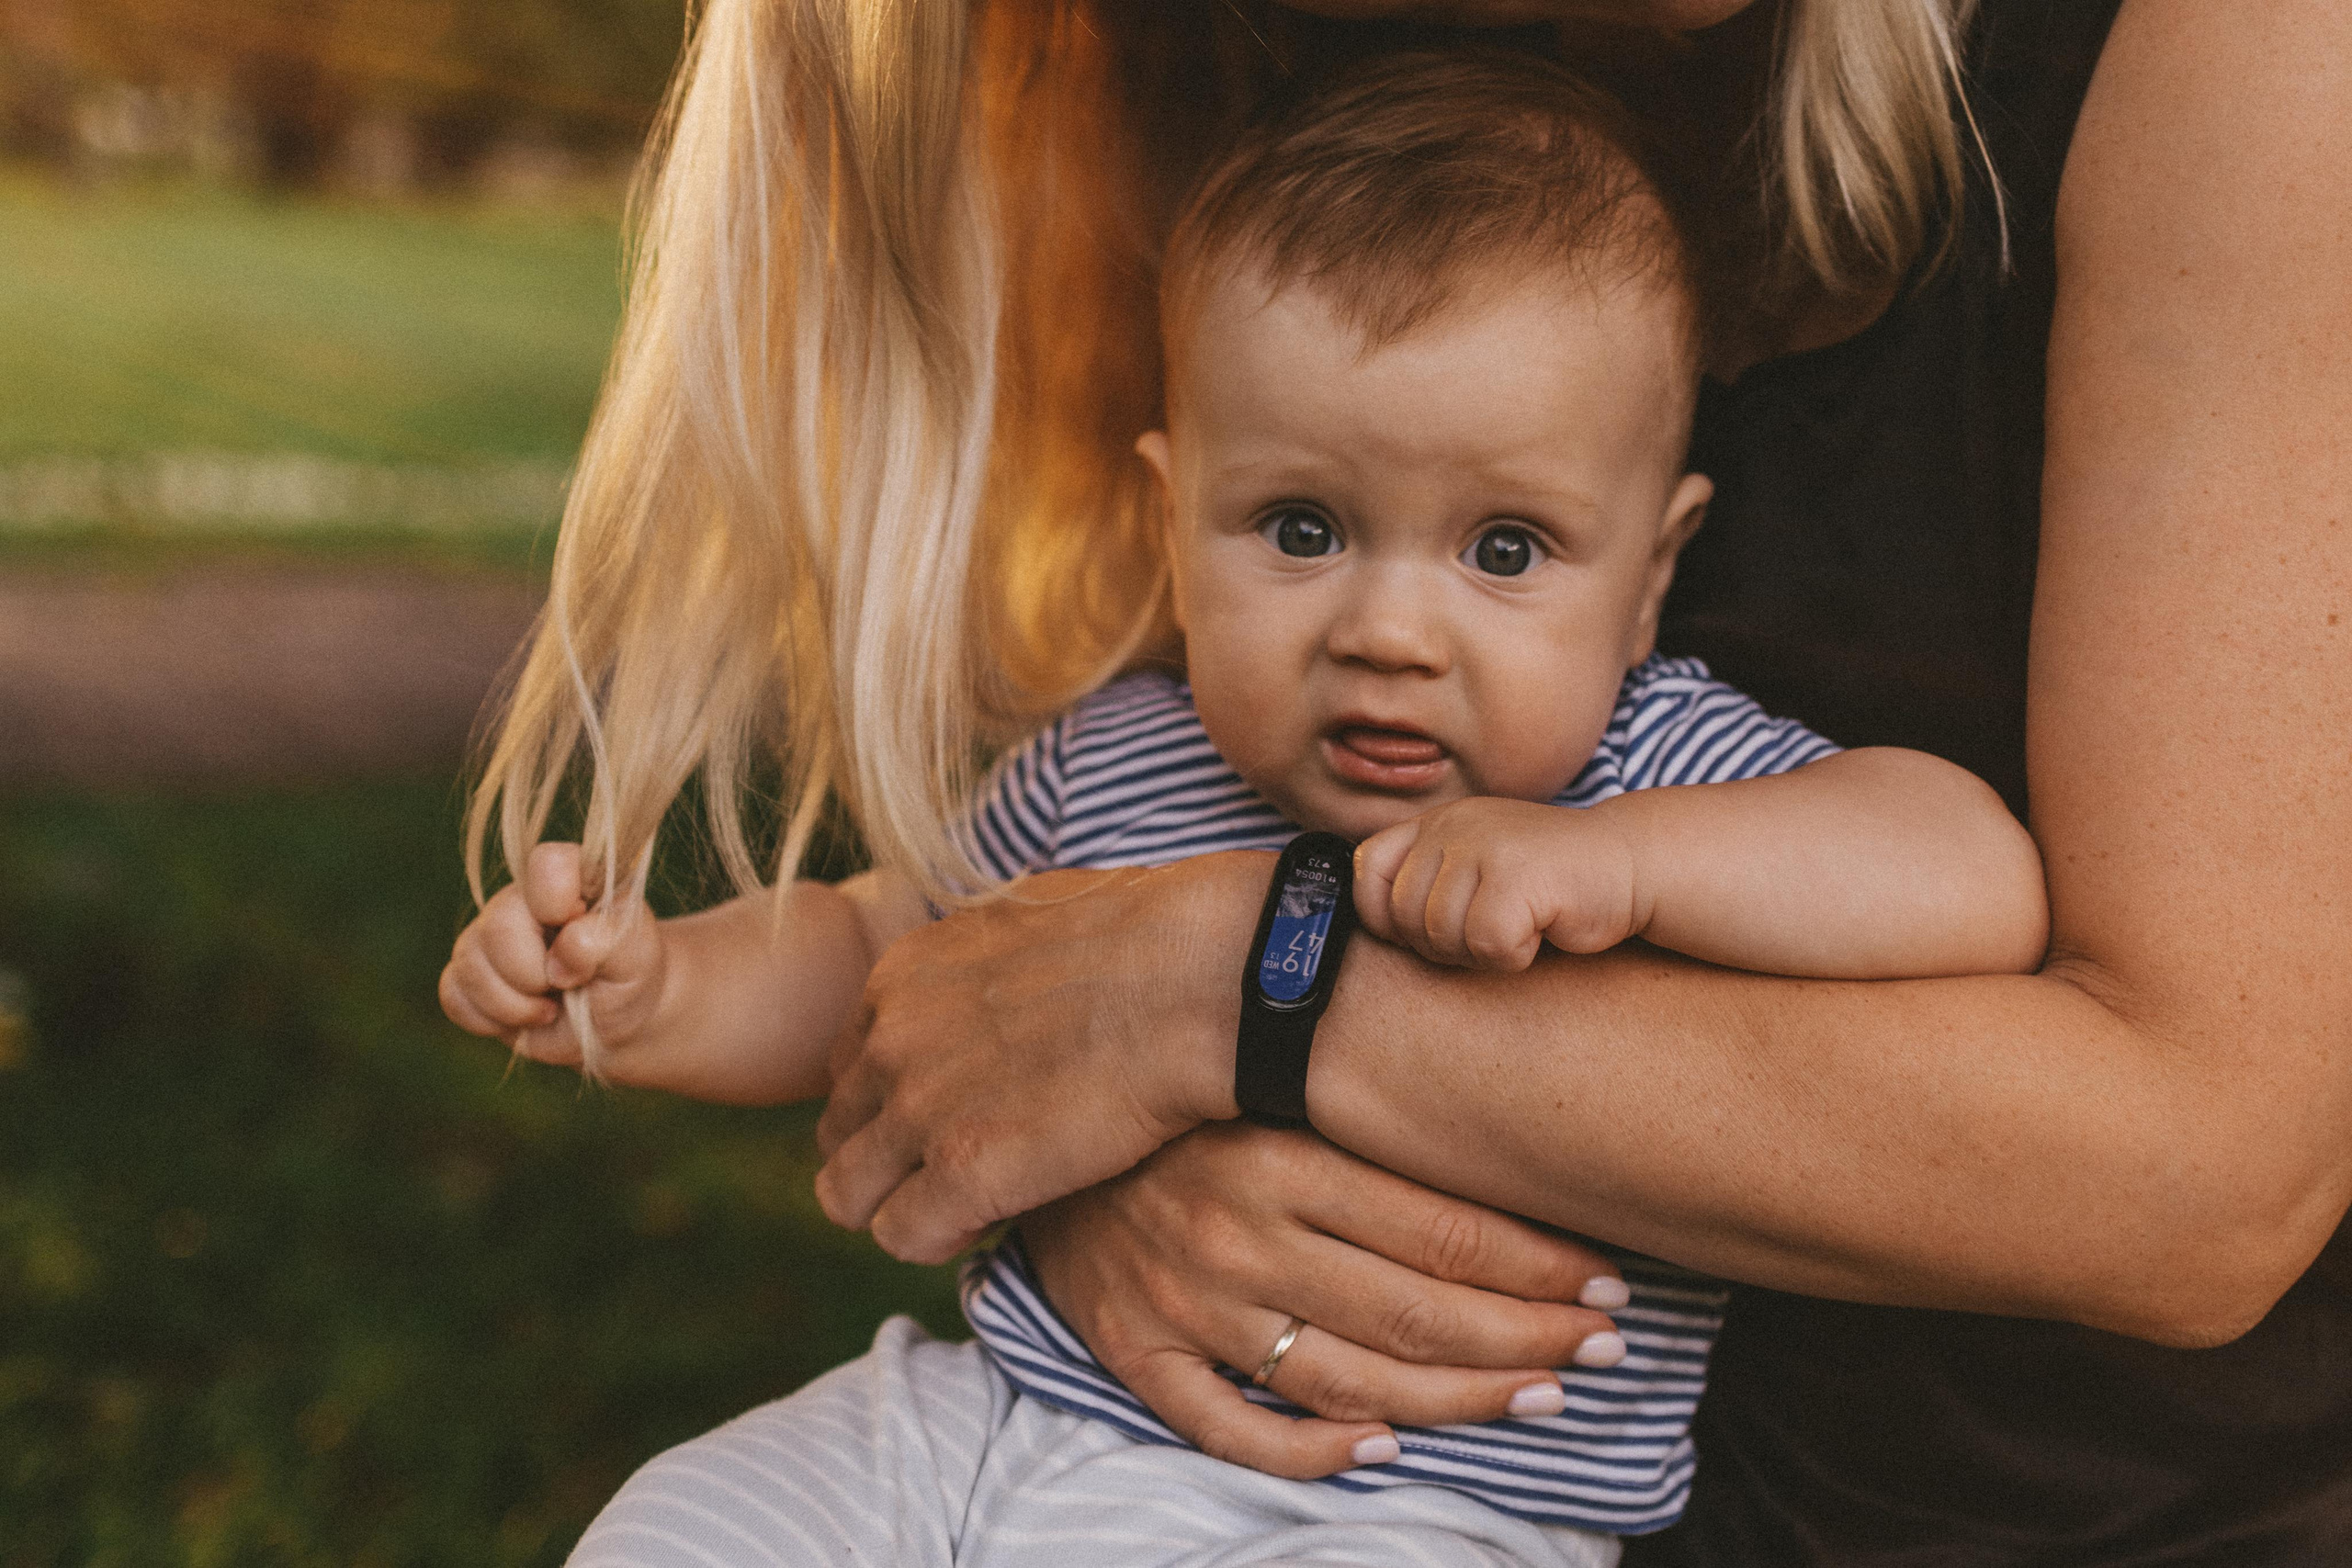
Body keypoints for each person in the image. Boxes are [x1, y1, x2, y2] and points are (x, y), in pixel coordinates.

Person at [451, 0, 2352, 1562]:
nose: (1387, 627)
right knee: (683, 1519)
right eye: (1296, 528)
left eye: (1503, 553)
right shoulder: (1139, 744)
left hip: (1415, 1514)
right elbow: (909, 962)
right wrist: (661, 979)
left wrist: (1495, 915)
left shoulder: (1626, 767)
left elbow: (1969, 884)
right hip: (996, 1417)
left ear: (1653, 567)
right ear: (1168, 509)